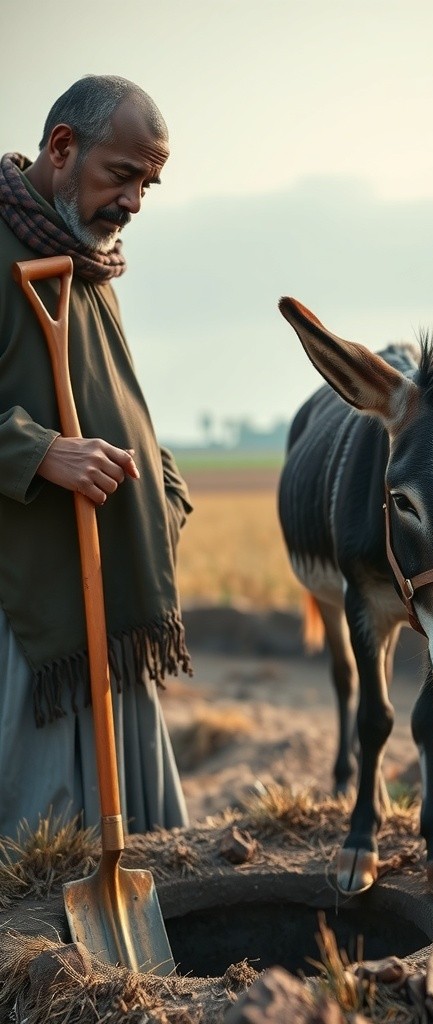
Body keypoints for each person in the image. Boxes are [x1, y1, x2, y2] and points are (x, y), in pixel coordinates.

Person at [0, 75, 193, 839]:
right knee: (40, 834)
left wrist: (165, 489)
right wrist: (40, 452)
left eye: (149, 183)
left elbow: (109, 388)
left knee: (132, 830)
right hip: (29, 602)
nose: (135, 202)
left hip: (110, 587)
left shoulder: (83, 255)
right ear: (61, 148)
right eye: (123, 175)